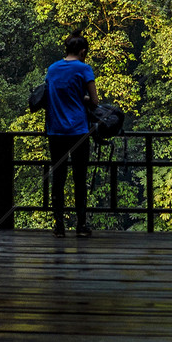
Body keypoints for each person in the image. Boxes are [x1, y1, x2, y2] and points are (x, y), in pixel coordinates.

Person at [45, 30, 98, 237]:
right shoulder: (84, 69)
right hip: (78, 131)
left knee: (58, 178)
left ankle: (59, 225)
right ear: (83, 52)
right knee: (79, 177)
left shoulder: (52, 69)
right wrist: (82, 98)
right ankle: (81, 225)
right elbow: (94, 101)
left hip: (55, 131)